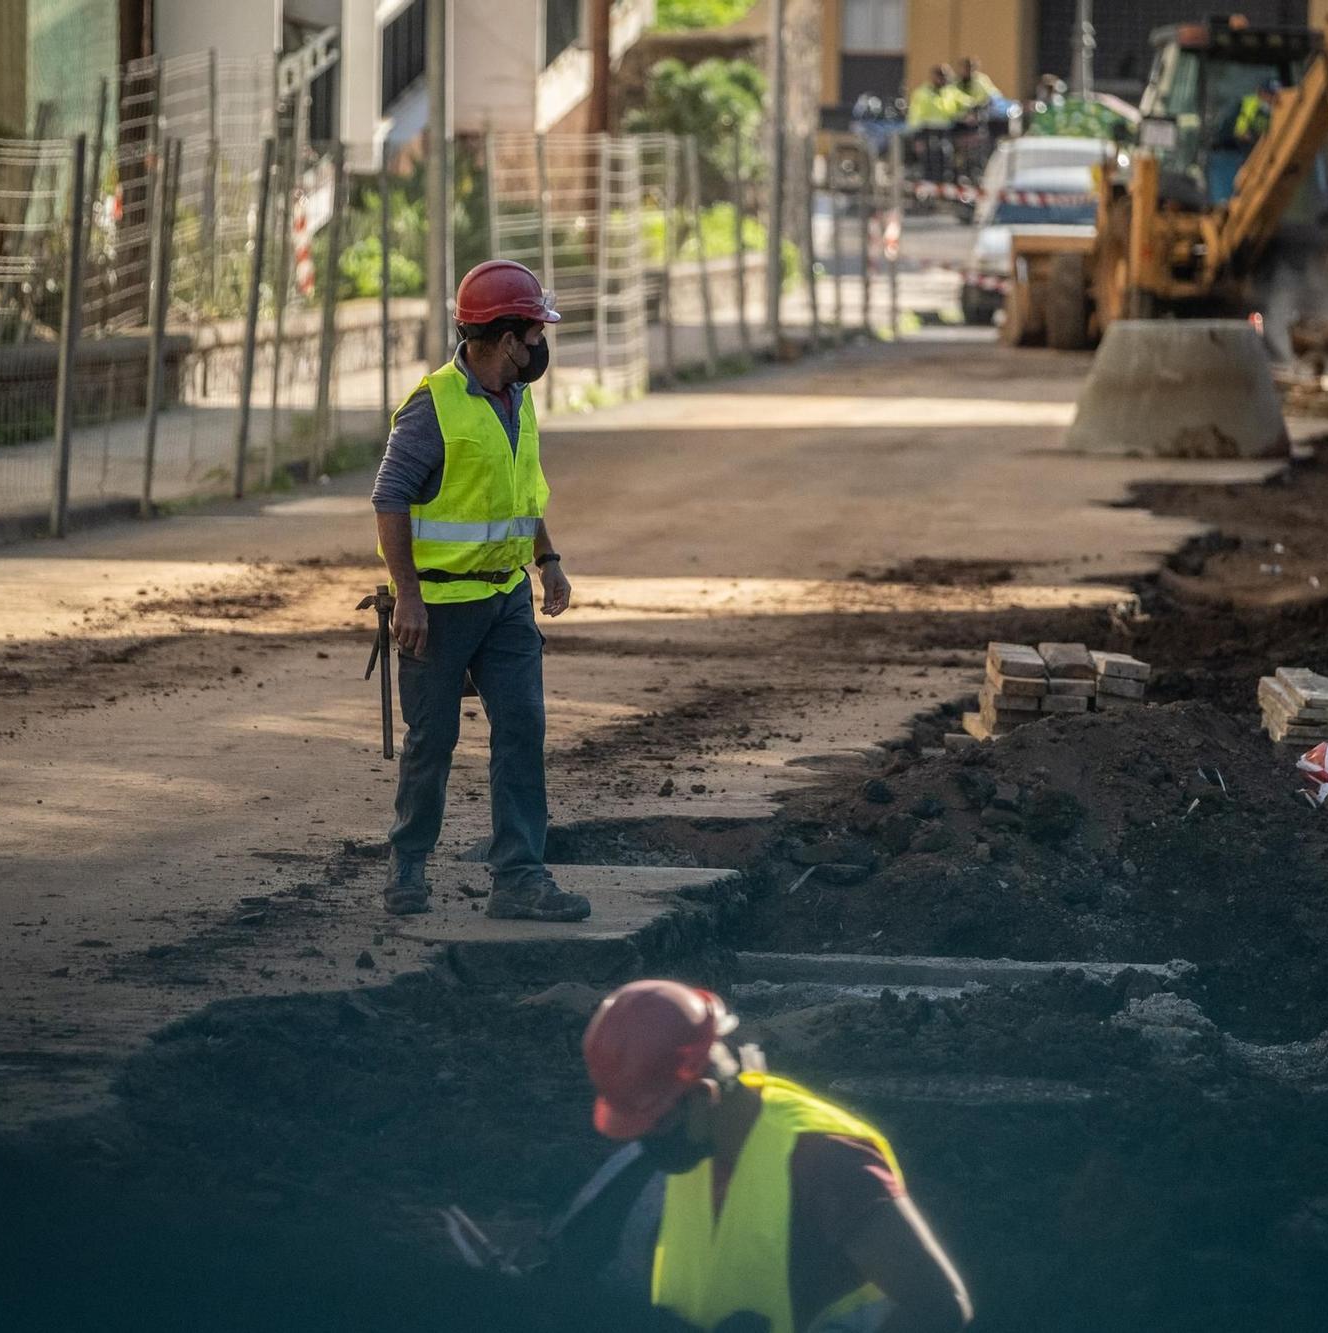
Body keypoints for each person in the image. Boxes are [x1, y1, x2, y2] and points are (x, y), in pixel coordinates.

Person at [369, 259, 589, 923]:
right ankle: (408, 864)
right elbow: (389, 498)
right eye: (532, 334)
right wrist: (406, 594)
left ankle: (519, 878)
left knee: (522, 726)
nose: (539, 347)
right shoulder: (431, 407)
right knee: (431, 741)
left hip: (505, 600)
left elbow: (520, 493)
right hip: (437, 606)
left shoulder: (515, 398)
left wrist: (545, 556)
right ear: (498, 336)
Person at [578, 980, 973, 1333]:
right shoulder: (691, 1151)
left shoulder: (828, 1161)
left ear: (703, 1095)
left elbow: (939, 1307)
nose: (645, 1138)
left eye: (656, 1121)